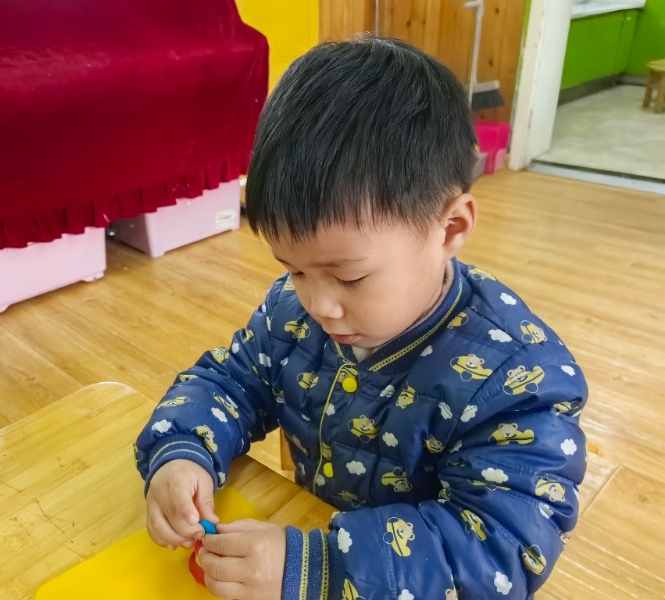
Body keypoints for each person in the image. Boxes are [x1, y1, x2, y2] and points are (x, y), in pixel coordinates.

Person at [134, 37, 588, 600]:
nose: (318, 305)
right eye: (294, 270)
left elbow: (500, 550)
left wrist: (321, 568)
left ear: (449, 229)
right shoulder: (292, 312)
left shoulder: (519, 380)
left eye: (349, 277)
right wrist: (182, 450)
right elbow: (229, 382)